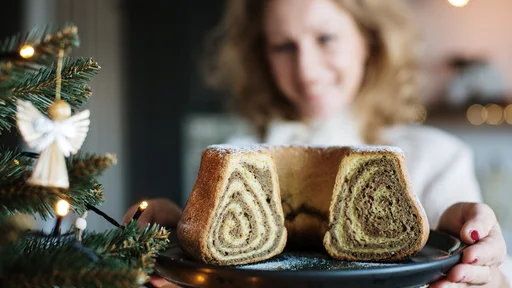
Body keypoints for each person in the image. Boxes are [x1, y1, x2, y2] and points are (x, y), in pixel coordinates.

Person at [124, 0, 511, 287]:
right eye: (283, 46)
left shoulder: (437, 158)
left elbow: (478, 270)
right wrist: (172, 236)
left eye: (325, 38)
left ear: (370, 40)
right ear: (260, 56)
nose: (306, 69)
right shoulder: (235, 159)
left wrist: (483, 269)